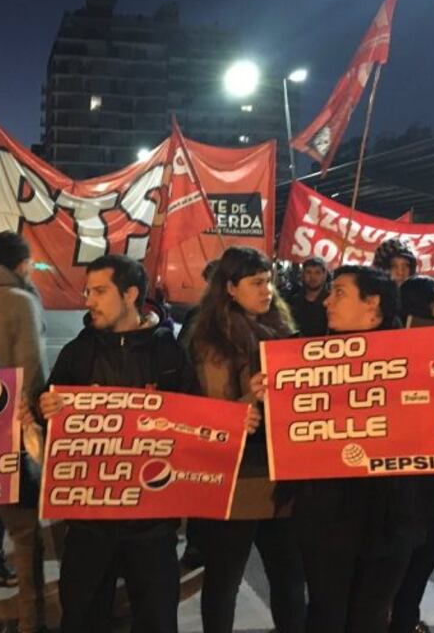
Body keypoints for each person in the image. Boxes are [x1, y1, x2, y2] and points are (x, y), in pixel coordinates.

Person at [260, 266, 434, 633]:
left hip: (392, 514)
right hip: (325, 514)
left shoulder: (417, 354)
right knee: (325, 615)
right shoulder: (304, 352)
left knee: (370, 616)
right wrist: (265, 396)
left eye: (339, 293)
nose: (328, 301)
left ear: (373, 303)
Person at [38, 254, 200, 633]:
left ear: (130, 295)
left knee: (157, 620)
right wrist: (45, 408)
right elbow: (49, 421)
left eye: (99, 291)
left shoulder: (169, 354)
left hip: (152, 524)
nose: (88, 300)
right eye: (87, 291)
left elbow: (195, 421)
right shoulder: (78, 352)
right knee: (81, 617)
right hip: (89, 522)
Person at [188, 246, 303, 633]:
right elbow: (213, 415)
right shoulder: (213, 340)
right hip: (238, 477)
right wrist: (250, 397)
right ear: (230, 288)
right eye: (256, 283)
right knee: (224, 579)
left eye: (269, 282)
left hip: (281, 472)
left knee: (288, 575)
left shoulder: (280, 328)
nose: (266, 290)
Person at [0, 231, 49, 633]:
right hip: (9, 430)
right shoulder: (21, 301)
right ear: (20, 265)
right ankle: (31, 621)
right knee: (25, 532)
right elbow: (32, 369)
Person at [390, 276, 434, 633]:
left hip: (426, 456)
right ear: (430, 302)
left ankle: (402, 616)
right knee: (422, 548)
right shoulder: (423, 341)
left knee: (425, 548)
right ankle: (401, 618)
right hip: (410, 459)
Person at [287, 257, 330, 337]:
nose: (313, 277)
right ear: (303, 274)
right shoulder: (293, 301)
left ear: (324, 275)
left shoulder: (332, 302)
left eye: (317, 273)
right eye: (308, 272)